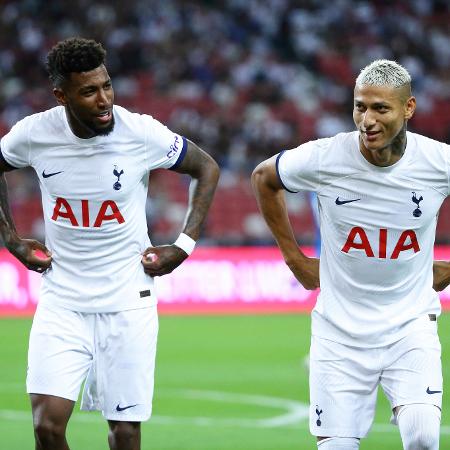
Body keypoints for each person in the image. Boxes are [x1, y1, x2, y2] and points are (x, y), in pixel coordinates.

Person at [0, 37, 219, 450]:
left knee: (124, 433)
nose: (104, 100)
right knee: (47, 427)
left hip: (127, 302)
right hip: (62, 299)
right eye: (88, 91)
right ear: (61, 95)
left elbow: (206, 168)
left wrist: (184, 244)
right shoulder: (35, 134)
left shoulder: (141, 132)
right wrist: (11, 239)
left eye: (107, 86)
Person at [252, 59, 450, 450]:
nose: (367, 120)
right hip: (338, 333)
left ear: (408, 108)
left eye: (381, 108)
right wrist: (295, 259)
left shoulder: (437, 162)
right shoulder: (326, 157)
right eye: (360, 106)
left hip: (410, 326)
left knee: (424, 437)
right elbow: (264, 177)